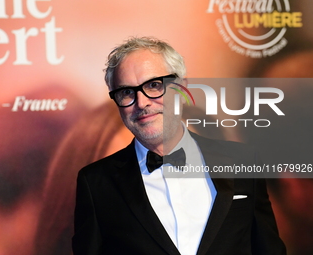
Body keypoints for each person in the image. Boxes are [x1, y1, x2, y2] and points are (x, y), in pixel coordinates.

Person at [72, 37, 286, 255]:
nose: (142, 102)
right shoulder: (96, 183)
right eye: (126, 92)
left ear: (183, 89)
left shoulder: (242, 160)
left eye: (154, 86)